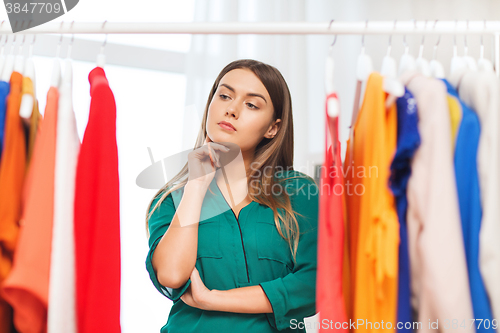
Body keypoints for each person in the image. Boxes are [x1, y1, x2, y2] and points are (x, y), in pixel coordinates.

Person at [145, 59, 319, 333]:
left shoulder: (299, 193)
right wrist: (196, 185)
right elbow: (171, 274)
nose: (232, 110)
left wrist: (212, 299)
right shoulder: (171, 200)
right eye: (224, 96)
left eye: (252, 104)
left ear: (273, 128)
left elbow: (313, 285)